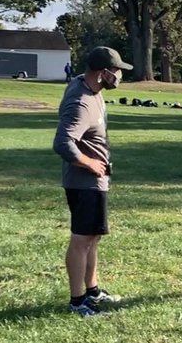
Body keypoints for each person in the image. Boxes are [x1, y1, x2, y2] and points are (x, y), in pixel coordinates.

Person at [52, 46, 133, 316]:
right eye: (117, 71)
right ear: (102, 73)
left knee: (93, 237)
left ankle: (92, 290)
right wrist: (90, 163)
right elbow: (63, 143)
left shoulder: (90, 88)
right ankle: (77, 302)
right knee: (81, 240)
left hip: (95, 182)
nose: (120, 76)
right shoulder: (81, 101)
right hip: (83, 182)